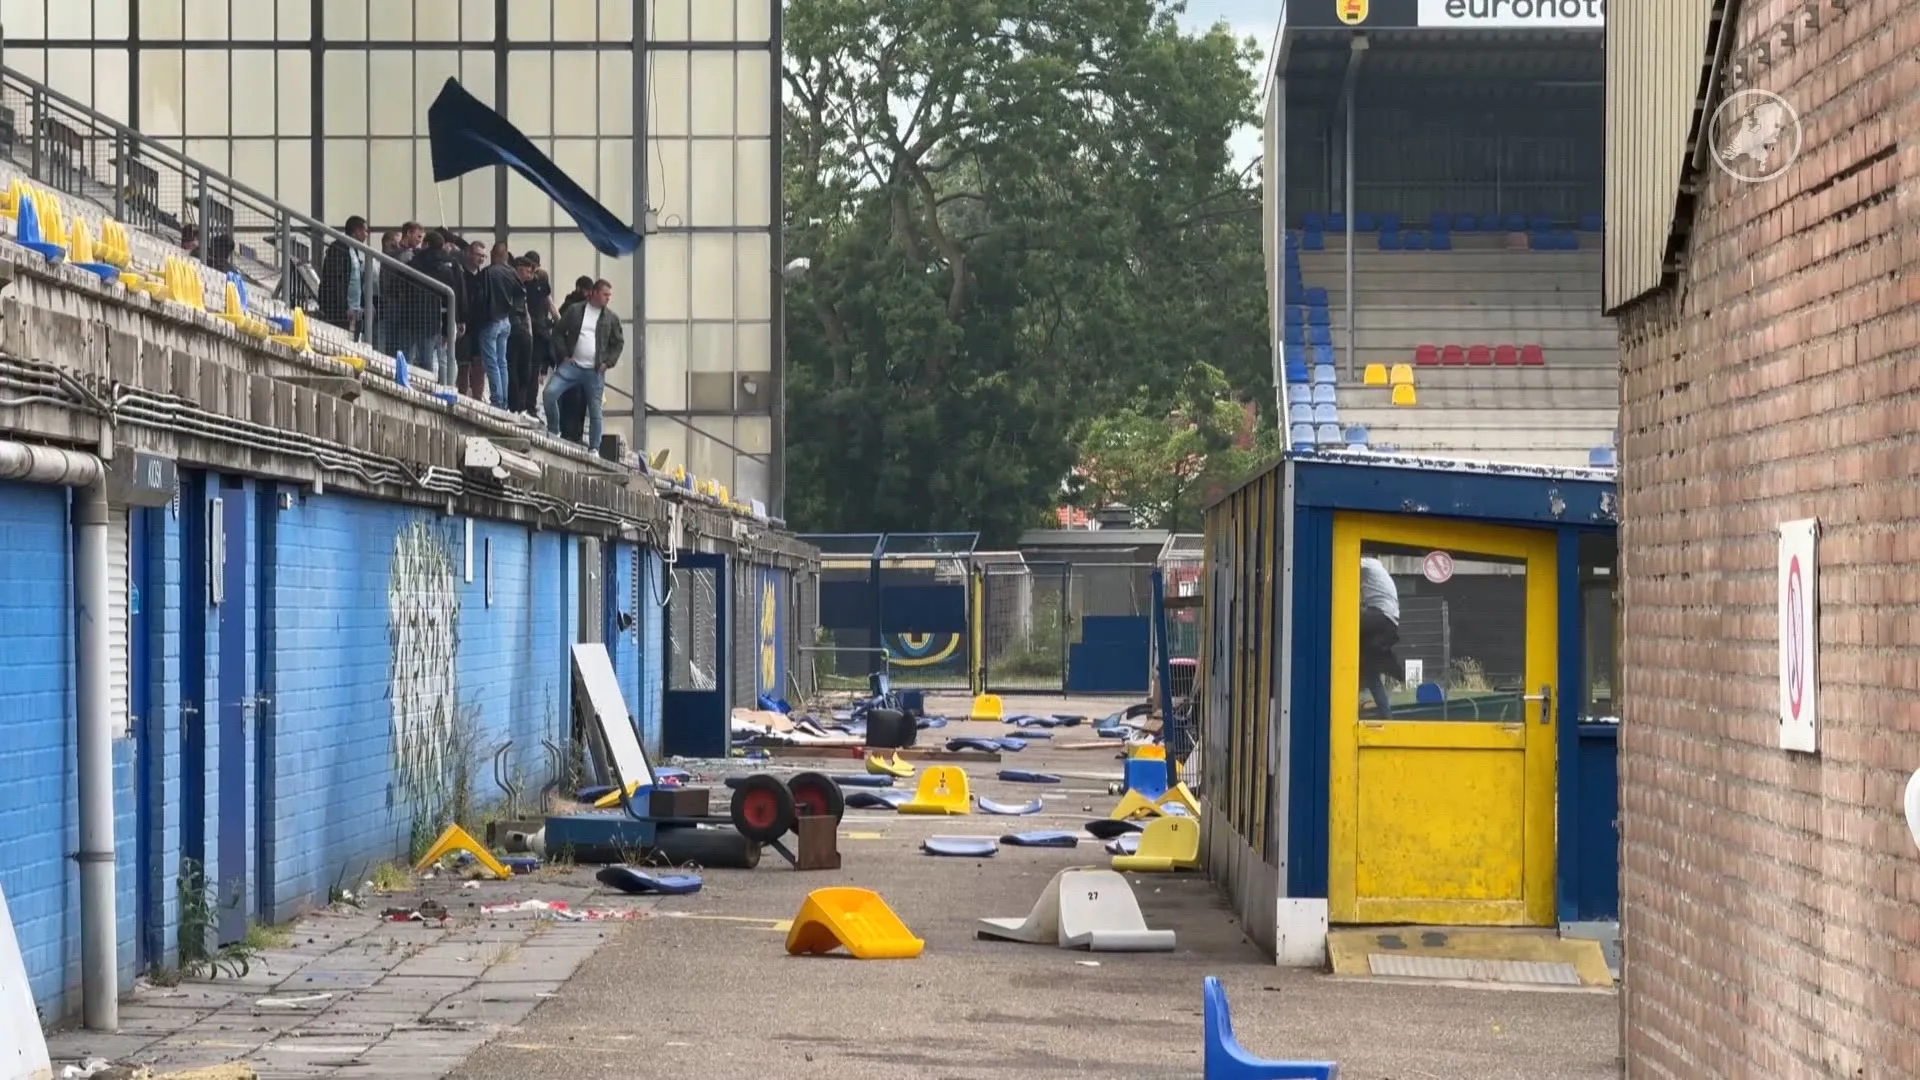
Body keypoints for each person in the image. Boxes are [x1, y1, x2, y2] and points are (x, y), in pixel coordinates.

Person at [544, 278, 623, 453]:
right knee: (549, 394)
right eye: (605, 294)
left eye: (609, 296)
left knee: (595, 411)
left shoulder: (611, 318)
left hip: (594, 371)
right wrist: (564, 355)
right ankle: (554, 430)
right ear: (594, 293)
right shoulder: (575, 310)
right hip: (572, 366)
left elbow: (618, 343)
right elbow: (558, 332)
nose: (608, 299)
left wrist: (608, 363)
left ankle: (594, 448)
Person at [468, 244, 521, 410]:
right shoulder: (512, 273)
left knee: (491, 363)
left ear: (493, 254)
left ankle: (497, 399)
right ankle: (503, 400)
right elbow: (521, 294)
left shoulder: (488, 273)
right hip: (506, 321)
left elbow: (480, 298)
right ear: (506, 256)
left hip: (490, 321)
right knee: (502, 362)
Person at [1359, 555, 1401, 717]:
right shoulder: (1378, 571)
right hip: (1387, 622)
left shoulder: (1368, 564)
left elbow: (1342, 562)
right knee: (1370, 673)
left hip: (1381, 617)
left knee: (1345, 616)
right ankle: (1387, 715)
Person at [317, 215, 369, 333]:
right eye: (365, 231)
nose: (366, 235)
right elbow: (336, 280)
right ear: (356, 231)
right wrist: (343, 307)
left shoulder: (354, 250)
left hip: (354, 310)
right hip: (340, 311)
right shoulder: (339, 249)